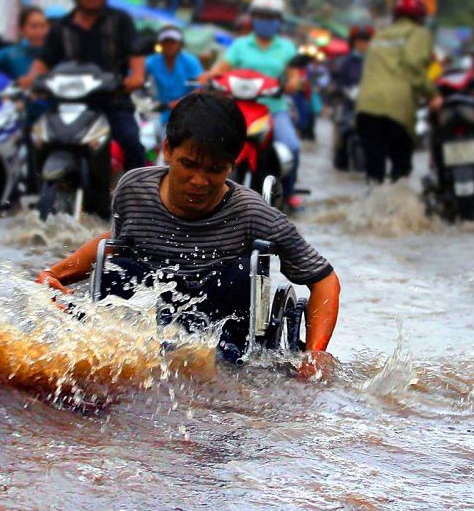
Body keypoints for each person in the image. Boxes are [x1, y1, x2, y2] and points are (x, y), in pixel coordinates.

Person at [35, 90, 341, 377]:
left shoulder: (252, 213)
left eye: (214, 169)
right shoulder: (134, 190)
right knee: (119, 270)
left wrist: (314, 354)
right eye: (188, 164)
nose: (199, 180)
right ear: (167, 150)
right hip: (143, 320)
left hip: (222, 336)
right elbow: (115, 240)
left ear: (231, 166)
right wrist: (55, 274)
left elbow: (324, 280)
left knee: (238, 274)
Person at [21, 0, 147, 173]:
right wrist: (31, 80)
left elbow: (136, 53)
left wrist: (137, 76)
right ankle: (33, 193)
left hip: (112, 104)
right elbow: (43, 61)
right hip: (67, 105)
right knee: (34, 135)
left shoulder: (121, 21)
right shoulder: (61, 27)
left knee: (132, 143)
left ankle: (137, 198)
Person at [201, 0, 304, 202]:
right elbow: (222, 67)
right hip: (239, 109)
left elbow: (294, 77)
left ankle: (290, 192)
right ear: (253, 18)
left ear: (279, 21)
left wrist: (292, 84)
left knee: (292, 146)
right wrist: (210, 76)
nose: (265, 22)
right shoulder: (240, 45)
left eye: (271, 17)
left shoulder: (286, 47)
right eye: (261, 16)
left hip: (273, 108)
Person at [354, 0, 436, 184]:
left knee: (374, 176)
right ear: (420, 17)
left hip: (367, 107)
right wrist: (433, 95)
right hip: (397, 109)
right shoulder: (418, 33)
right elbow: (414, 67)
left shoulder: (380, 35)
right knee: (400, 172)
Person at [146, 23, 203, 129]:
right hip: (163, 114)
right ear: (160, 44)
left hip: (188, 113)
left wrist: (178, 103)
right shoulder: (153, 61)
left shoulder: (190, 62)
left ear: (179, 44)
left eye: (173, 42)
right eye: (165, 42)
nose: (169, 45)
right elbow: (137, 76)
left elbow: (198, 90)